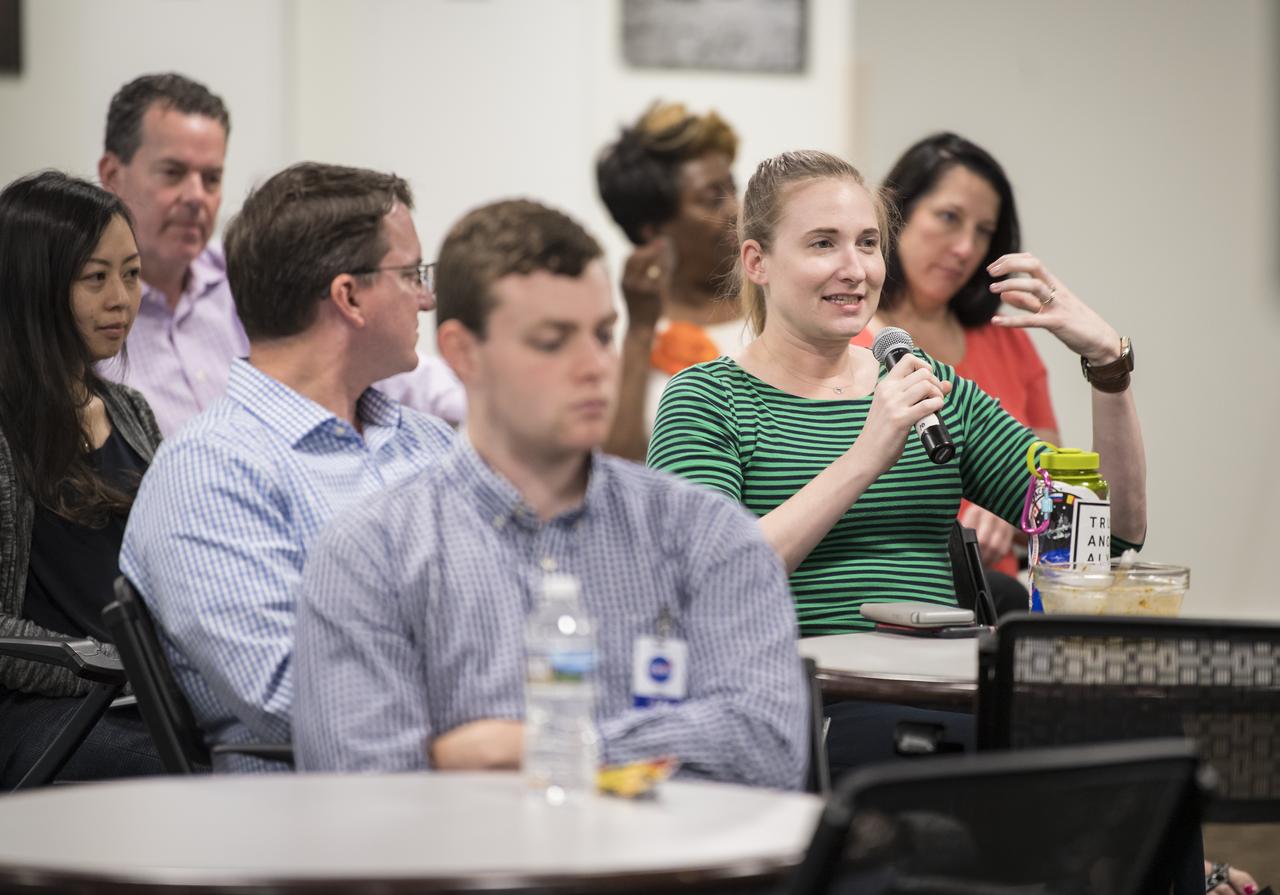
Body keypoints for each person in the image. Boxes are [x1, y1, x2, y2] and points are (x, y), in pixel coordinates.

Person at [647, 150, 1145, 772]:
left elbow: (1108, 532)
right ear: (759, 262)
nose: (854, 269)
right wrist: (863, 457)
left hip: (951, 691)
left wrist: (1108, 368)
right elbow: (707, 582)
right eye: (823, 244)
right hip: (812, 701)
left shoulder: (923, 384)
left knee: (1140, 743)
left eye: (868, 243)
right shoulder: (706, 398)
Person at [292, 198, 807, 789]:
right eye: (552, 340)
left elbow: (768, 748)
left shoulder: (705, 532)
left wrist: (546, 746)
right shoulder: (371, 552)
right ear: (463, 353)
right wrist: (658, 749)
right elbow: (360, 790)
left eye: (603, 334)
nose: (595, 366)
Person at [120, 162, 455, 771]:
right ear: (349, 296)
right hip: (315, 832)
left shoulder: (432, 446)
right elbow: (294, 699)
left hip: (473, 798)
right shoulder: (212, 471)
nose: (427, 298)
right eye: (410, 275)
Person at [96, 72, 465, 436]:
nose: (196, 197)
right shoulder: (79, 312)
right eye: (173, 173)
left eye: (211, 179)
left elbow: (380, 363)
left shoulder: (248, 274)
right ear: (112, 174)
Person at [0, 171, 163, 786]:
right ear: (33, 288)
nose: (122, 299)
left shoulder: (131, 412)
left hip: (135, 700)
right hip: (40, 711)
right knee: (196, 774)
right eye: (95, 279)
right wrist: (112, 666)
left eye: (131, 273)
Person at [852, 133, 1059, 586]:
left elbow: (1058, 494)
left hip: (992, 599)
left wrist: (1016, 516)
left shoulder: (1008, 339)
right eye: (949, 218)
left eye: (983, 231)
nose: (966, 247)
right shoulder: (847, 338)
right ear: (897, 216)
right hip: (890, 591)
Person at [596, 101, 747, 460]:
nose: (736, 210)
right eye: (713, 199)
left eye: (733, 189)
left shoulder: (781, 305)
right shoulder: (612, 333)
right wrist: (639, 333)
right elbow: (616, 476)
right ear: (653, 230)